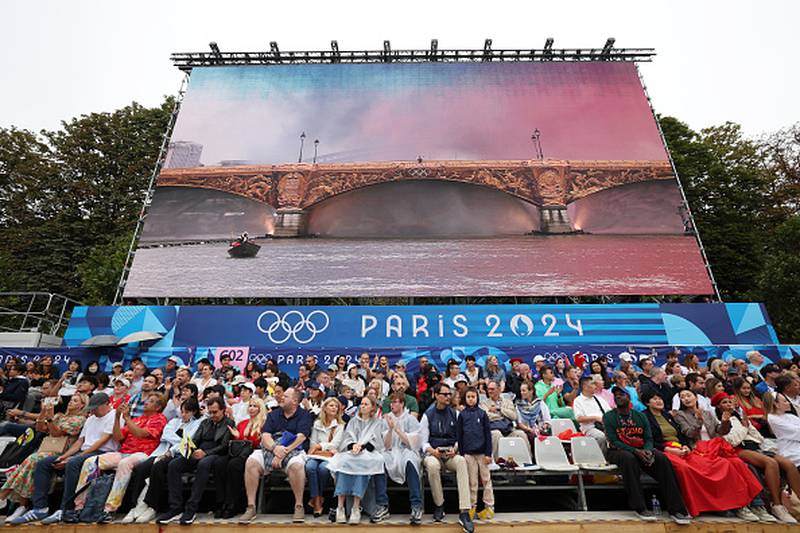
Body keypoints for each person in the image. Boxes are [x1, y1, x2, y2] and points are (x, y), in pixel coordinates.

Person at [641, 389, 762, 519]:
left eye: (688, 395)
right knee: (720, 465)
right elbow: (687, 434)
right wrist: (698, 423)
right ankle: (728, 506)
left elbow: (720, 431)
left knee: (737, 464)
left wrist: (725, 422)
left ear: (696, 398)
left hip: (714, 447)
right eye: (682, 397)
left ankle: (751, 505)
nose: (686, 399)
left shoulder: (704, 414)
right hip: (698, 449)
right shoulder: (679, 415)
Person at [12, 393, 118, 525]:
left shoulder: (114, 416)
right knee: (44, 463)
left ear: (106, 404)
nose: (93, 410)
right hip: (84, 451)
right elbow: (80, 441)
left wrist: (75, 457)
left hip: (102, 452)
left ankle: (65, 509)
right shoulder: (91, 419)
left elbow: (102, 441)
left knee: (72, 463)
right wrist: (64, 456)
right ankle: (40, 507)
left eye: (96, 407)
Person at [68, 393, 168, 523]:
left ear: (158, 407)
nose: (146, 403)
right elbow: (118, 437)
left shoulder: (160, 419)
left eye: (151, 401)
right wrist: (117, 417)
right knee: (91, 462)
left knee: (124, 464)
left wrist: (126, 418)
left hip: (144, 454)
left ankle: (109, 510)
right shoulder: (137, 419)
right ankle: (79, 507)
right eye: (147, 400)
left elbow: (141, 434)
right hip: (123, 452)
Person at [602, 386, 691, 524]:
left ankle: (677, 509)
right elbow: (613, 441)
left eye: (622, 394)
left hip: (642, 448)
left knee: (662, 459)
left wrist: (648, 450)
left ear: (629, 398)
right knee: (629, 459)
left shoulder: (640, 416)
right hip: (617, 451)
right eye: (616, 395)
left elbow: (648, 438)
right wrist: (636, 451)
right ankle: (640, 507)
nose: (619, 397)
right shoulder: (609, 416)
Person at [714, 392, 800, 523]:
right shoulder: (721, 420)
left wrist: (747, 426)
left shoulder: (739, 416)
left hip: (755, 446)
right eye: (724, 403)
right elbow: (731, 440)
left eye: (729, 402)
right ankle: (777, 505)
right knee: (771, 463)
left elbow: (758, 437)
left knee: (788, 464)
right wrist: (745, 428)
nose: (728, 405)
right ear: (719, 407)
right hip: (739, 448)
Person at [0, 393, 88, 522]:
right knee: (30, 462)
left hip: (63, 452)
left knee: (32, 460)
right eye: (71, 400)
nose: (71, 402)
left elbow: (56, 433)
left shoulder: (79, 420)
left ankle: (6, 496)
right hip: (47, 450)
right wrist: (43, 412)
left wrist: (50, 418)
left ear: (82, 405)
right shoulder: (60, 416)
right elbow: (40, 428)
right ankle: (20, 505)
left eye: (75, 401)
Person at [154, 396, 234, 525]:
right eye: (210, 412)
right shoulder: (205, 422)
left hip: (216, 454)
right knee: (174, 464)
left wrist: (205, 453)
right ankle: (175, 507)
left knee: (203, 464)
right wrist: (189, 451)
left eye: (215, 412)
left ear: (223, 410)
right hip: (199, 451)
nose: (212, 415)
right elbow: (195, 440)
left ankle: (191, 508)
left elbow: (223, 446)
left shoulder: (229, 423)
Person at [122, 397, 203, 524]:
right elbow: (165, 436)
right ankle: (135, 506)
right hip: (161, 451)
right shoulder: (174, 421)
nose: (184, 414)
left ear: (194, 412)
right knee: (141, 468)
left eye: (187, 412)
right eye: (182, 411)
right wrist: (179, 440)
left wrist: (173, 448)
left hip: (178, 453)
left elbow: (189, 441)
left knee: (158, 467)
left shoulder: (197, 423)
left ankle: (151, 505)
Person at [238, 388, 312, 524]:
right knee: (251, 462)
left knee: (297, 465)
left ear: (295, 401)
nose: (282, 398)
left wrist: (283, 452)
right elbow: (265, 435)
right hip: (272, 446)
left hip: (293, 448)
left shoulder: (304, 415)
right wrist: (275, 448)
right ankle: (251, 507)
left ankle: (299, 505)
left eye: (286, 396)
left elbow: (301, 437)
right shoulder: (274, 414)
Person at [419, 383, 474, 533]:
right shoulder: (427, 415)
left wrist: (455, 449)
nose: (448, 397)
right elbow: (423, 443)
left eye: (449, 394)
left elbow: (459, 437)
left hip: (450, 454)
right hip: (434, 453)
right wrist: (433, 451)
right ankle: (439, 505)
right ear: (436, 396)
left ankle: (464, 511)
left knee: (462, 462)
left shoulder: (455, 414)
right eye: (444, 394)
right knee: (431, 465)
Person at [328, 396, 387, 525]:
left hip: (369, 453)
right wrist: (353, 445)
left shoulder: (378, 422)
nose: (363, 406)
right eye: (361, 404)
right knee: (342, 464)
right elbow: (347, 438)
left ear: (372, 407)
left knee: (362, 464)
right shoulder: (353, 421)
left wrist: (362, 447)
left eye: (366, 404)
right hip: (352, 451)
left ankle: (356, 507)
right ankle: (340, 507)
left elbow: (378, 441)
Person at [216, 397, 267, 519]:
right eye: (250, 406)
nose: (251, 408)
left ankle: (232, 504)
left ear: (260, 409)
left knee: (234, 465)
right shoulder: (242, 423)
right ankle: (221, 503)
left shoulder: (264, 424)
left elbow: (256, 444)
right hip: (238, 454)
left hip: (253, 455)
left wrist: (241, 438)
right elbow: (236, 445)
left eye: (255, 406)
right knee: (219, 463)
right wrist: (237, 437)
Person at [380, 391, 423, 524]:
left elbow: (413, 443)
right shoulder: (386, 420)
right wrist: (391, 429)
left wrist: (397, 430)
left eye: (395, 402)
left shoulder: (410, 419)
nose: (392, 405)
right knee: (380, 461)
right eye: (391, 402)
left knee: (410, 461)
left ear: (402, 404)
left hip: (407, 450)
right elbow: (386, 445)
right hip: (392, 451)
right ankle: (382, 505)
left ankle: (416, 505)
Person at [457, 386, 494, 521]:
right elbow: (459, 435)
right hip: (468, 453)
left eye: (473, 396)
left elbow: (487, 435)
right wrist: (461, 453)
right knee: (472, 482)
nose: (471, 399)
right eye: (468, 397)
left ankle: (489, 507)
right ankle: (472, 507)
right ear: (465, 399)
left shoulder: (482, 414)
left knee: (486, 480)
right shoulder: (462, 415)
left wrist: (488, 453)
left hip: (482, 453)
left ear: (477, 398)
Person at [305, 397, 345, 517]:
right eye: (331, 406)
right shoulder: (317, 424)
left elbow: (336, 444)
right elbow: (312, 444)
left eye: (336, 406)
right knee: (310, 467)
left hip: (331, 456)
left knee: (323, 469)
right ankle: (317, 498)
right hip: (317, 455)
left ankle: (316, 500)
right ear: (325, 409)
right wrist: (319, 447)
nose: (334, 408)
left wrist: (319, 445)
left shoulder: (340, 425)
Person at [481, 381, 528, 459]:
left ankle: (527, 460)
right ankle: (497, 461)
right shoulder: (484, 403)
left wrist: (499, 409)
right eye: (488, 389)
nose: (489, 391)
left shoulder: (508, 402)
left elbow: (514, 416)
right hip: (493, 429)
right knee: (496, 434)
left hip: (507, 429)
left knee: (521, 434)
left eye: (492, 389)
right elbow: (487, 416)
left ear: (499, 389)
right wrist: (504, 416)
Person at [572, 376, 611, 452]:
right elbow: (579, 419)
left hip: (604, 426)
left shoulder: (599, 399)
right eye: (592, 384)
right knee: (601, 437)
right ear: (585, 386)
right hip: (590, 428)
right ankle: (602, 459)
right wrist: (595, 418)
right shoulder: (578, 400)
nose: (595, 386)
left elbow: (609, 412)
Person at [764, 392, 800, 467]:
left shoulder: (790, 416)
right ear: (776, 404)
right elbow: (797, 432)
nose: (789, 403)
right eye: (785, 401)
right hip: (790, 449)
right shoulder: (772, 418)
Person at [516, 380, 551, 445]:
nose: (521, 393)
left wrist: (541, 428)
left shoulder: (540, 403)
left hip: (540, 429)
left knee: (547, 438)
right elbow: (519, 423)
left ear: (531, 391)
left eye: (524, 390)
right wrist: (530, 430)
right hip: (526, 430)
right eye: (521, 391)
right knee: (533, 437)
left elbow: (547, 420)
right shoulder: (519, 405)